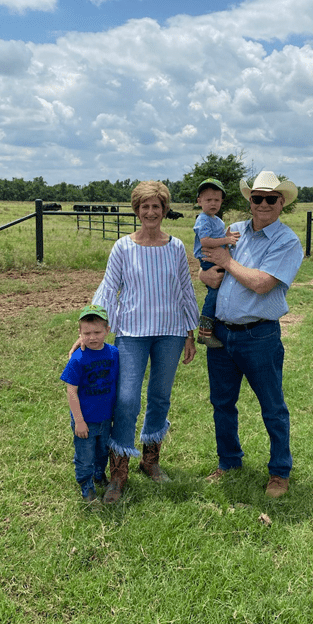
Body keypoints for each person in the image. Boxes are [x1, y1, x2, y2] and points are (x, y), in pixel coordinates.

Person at [72, 180, 199, 504]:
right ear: (137, 210)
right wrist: (89, 331)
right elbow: (107, 287)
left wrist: (189, 331)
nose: (151, 212)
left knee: (159, 396)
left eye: (157, 206)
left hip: (170, 332)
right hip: (131, 334)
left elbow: (185, 290)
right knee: (127, 399)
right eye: (145, 206)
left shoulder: (175, 248)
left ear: (165, 210)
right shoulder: (123, 248)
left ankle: (150, 461)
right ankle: (119, 471)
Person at [199, 170, 303, 498]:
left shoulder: (287, 241)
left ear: (281, 202)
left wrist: (227, 263)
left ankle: (279, 472)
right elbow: (207, 261)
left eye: (270, 199)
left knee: (272, 406)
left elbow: (261, 284)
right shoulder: (234, 231)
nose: (262, 204)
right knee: (222, 403)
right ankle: (229, 461)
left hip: (259, 336)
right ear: (250, 200)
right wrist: (207, 276)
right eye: (256, 198)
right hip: (221, 334)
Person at [61, 304, 119, 503]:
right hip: (85, 420)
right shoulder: (78, 359)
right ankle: (86, 485)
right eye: (87, 333)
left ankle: (99, 474)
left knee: (102, 452)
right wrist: (79, 421)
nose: (92, 337)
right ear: (79, 333)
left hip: (106, 418)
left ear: (107, 330)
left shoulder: (114, 354)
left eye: (97, 332)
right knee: (85, 455)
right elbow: (71, 390)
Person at [193, 178, 240, 349]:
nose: (213, 203)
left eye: (217, 200)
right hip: (208, 260)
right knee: (214, 292)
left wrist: (226, 237)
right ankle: (205, 332)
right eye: (208, 200)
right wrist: (227, 239)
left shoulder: (217, 221)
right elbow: (205, 241)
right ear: (199, 201)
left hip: (216, 257)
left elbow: (219, 239)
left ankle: (217, 323)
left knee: (222, 288)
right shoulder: (203, 219)